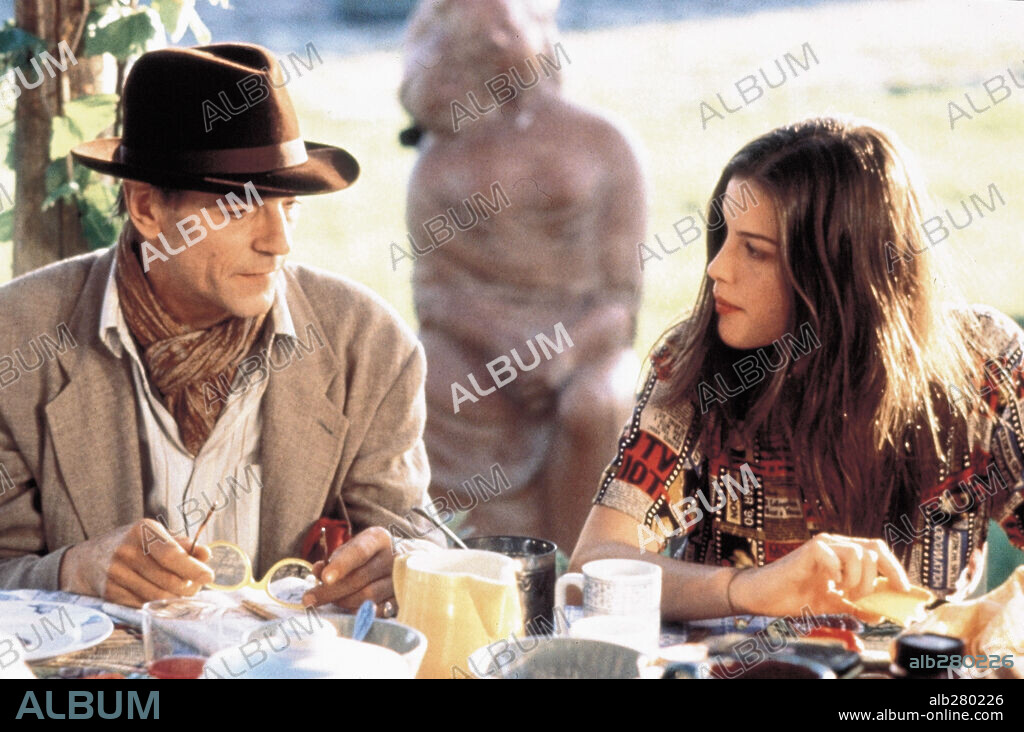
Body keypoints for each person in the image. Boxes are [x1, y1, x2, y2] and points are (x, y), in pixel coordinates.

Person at [0, 43, 442, 612]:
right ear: (146, 208)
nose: (278, 242)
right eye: (239, 207)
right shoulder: (17, 340)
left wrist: (396, 568)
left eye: (288, 205)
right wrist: (70, 571)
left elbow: (413, 544)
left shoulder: (371, 347)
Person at [570, 116, 1024, 621]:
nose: (717, 268)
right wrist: (748, 589)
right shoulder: (695, 366)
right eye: (724, 237)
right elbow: (590, 568)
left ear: (839, 273)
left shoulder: (987, 365)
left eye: (755, 251)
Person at [399, 0, 644, 552]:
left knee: (594, 407)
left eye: (509, 28)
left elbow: (621, 299)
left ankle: (581, 565)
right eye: (481, 42)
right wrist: (503, 347)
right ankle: (464, 561)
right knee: (425, 382)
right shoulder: (441, 162)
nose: (501, 44)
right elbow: (434, 293)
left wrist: (563, 353)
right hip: (475, 342)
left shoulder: (604, 142)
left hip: (587, 344)